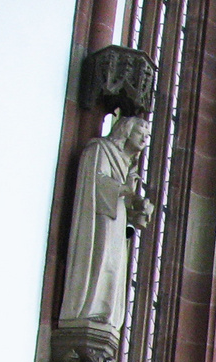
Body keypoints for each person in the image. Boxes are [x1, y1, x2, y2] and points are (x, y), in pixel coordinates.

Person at [59, 115, 153, 333]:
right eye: (141, 133)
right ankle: (88, 309)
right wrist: (123, 190)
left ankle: (106, 314)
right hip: (99, 221)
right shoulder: (100, 149)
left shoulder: (129, 166)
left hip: (117, 222)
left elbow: (126, 200)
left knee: (114, 265)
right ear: (126, 131)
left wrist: (139, 206)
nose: (144, 139)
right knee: (100, 259)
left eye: (147, 136)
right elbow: (96, 181)